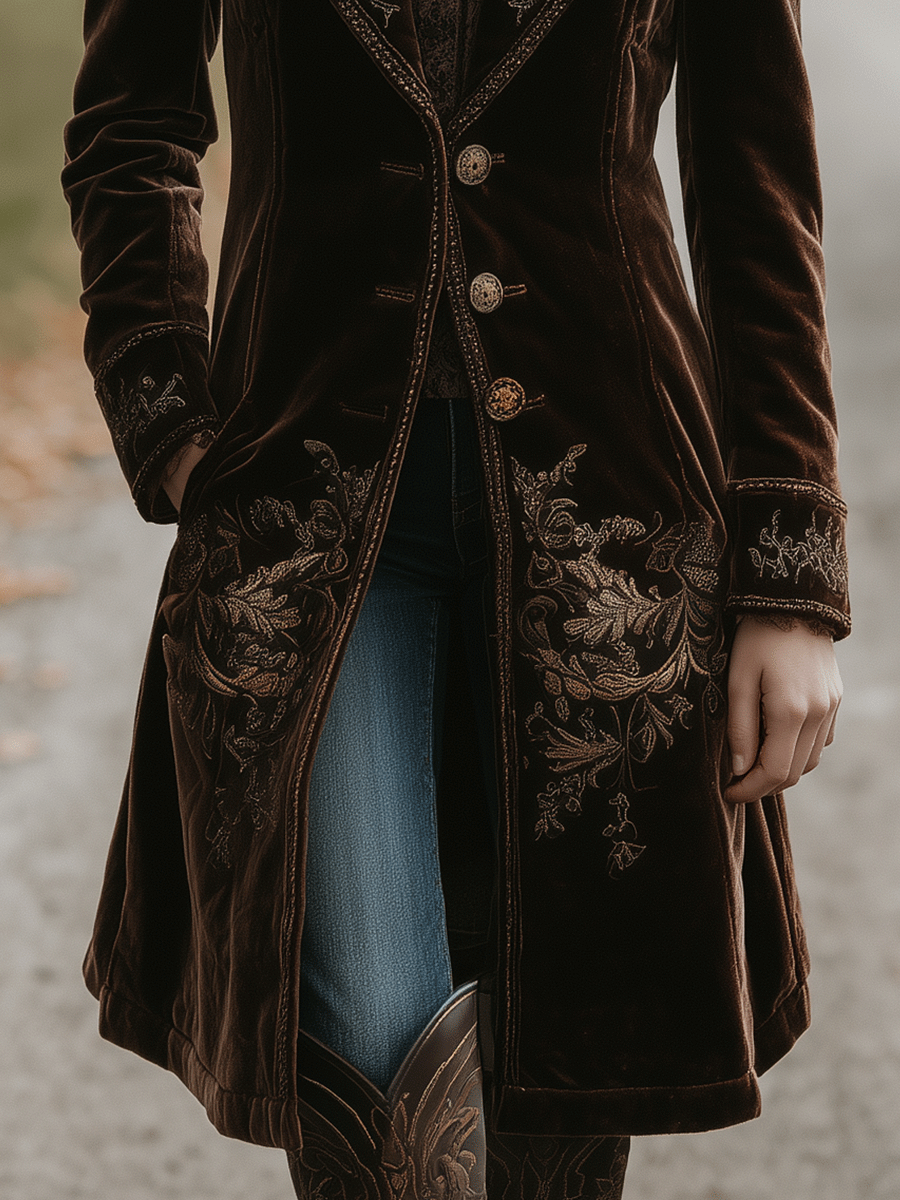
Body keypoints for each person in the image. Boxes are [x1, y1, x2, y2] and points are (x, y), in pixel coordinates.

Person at [62, 0, 849, 1196]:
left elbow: (760, 190)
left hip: (613, 535)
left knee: (566, 1049)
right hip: (312, 524)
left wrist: (790, 584)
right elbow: (132, 122)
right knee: (374, 1050)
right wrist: (167, 409)